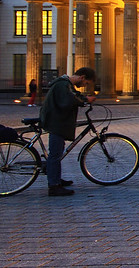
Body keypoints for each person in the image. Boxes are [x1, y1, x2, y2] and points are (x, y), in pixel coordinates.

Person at [39, 67, 96, 196]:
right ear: (82, 77)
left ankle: (56, 178)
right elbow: (68, 101)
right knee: (55, 154)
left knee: (57, 152)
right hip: (56, 122)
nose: (84, 86)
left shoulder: (66, 85)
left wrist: (83, 98)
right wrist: (85, 100)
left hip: (57, 121)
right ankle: (54, 186)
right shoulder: (62, 85)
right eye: (86, 83)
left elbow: (73, 96)